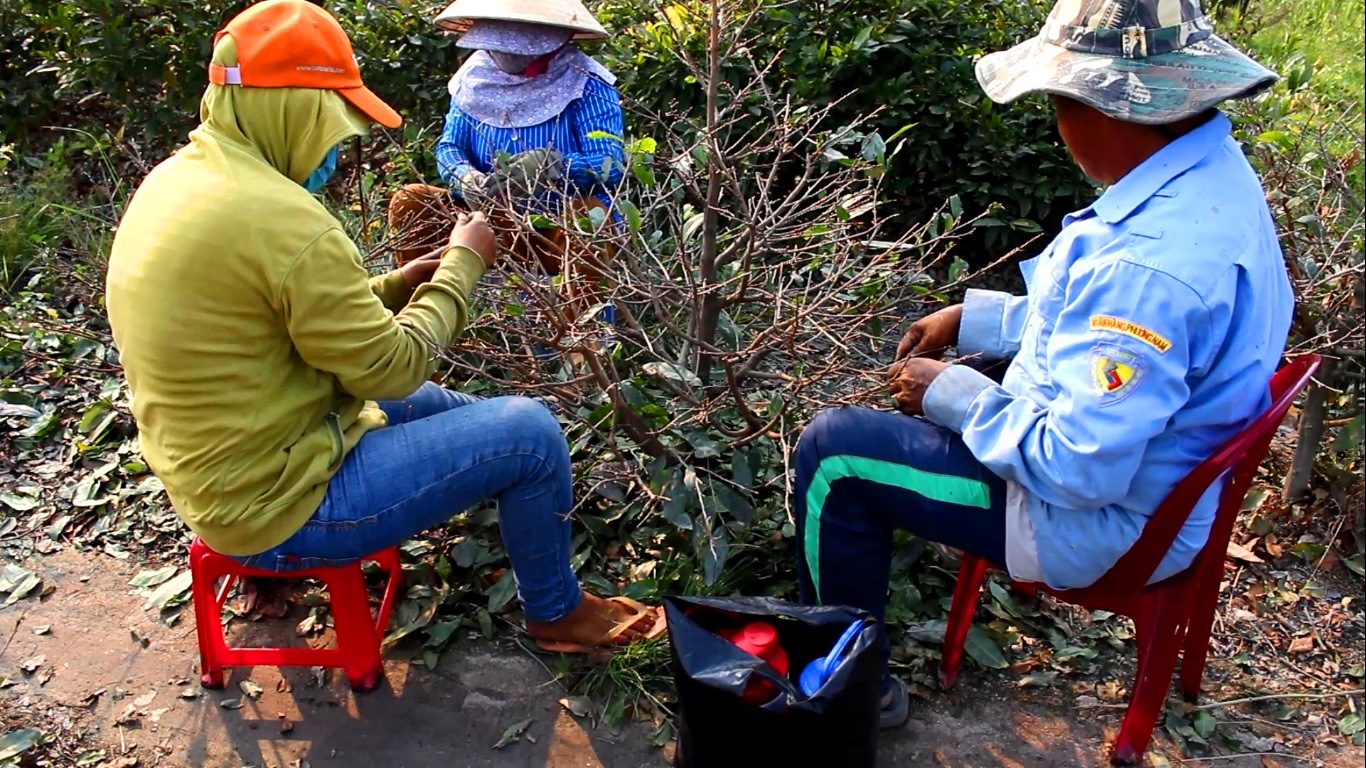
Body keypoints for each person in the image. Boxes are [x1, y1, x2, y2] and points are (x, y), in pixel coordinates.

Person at [105, 0, 662, 658]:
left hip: (233, 466)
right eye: (335, 129)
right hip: (282, 507)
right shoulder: (287, 220)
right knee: (533, 432)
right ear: (297, 109)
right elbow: (394, 366)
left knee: (462, 414)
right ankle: (557, 611)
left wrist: (403, 281)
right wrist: (463, 264)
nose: (337, 154)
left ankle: (493, 495)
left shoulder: (176, 182)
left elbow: (294, 322)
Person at [791, 0, 1292, 729]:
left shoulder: (1150, 269)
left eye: (1058, 104)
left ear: (1109, 110)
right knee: (871, 439)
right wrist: (977, 319)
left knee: (833, 453)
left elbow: (1081, 469)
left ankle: (849, 690)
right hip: (1160, 474)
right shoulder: (1211, 175)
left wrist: (955, 394)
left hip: (1093, 518)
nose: (1058, 127)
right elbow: (1100, 328)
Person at [387, 0, 625, 319]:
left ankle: (586, 345)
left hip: (555, 228)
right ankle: (419, 332)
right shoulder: (474, 78)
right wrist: (464, 177)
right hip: (484, 223)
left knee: (591, 217)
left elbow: (611, 163)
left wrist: (554, 165)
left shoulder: (585, 83)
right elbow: (449, 147)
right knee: (412, 200)